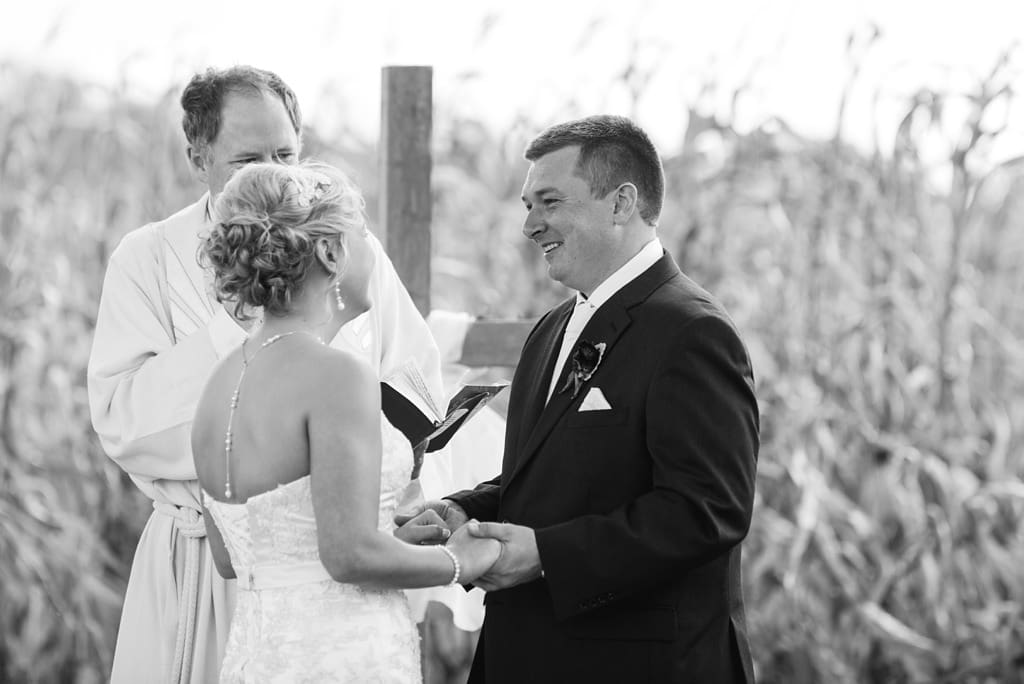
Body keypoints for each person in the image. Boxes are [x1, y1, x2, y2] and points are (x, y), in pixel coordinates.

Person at [87, 65, 447, 683]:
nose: (275, 173)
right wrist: (241, 327)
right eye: (249, 160)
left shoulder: (351, 249)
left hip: (353, 571)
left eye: (285, 154)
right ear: (198, 157)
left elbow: (415, 380)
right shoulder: (147, 258)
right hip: (208, 562)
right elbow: (123, 420)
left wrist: (396, 504)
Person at [397, 115, 760, 683]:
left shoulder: (692, 332)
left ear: (621, 203)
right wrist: (467, 507)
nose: (529, 225)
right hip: (528, 655)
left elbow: (706, 511)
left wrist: (546, 555)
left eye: (550, 202)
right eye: (528, 206)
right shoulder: (550, 330)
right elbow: (548, 476)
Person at [190, 161, 498, 682]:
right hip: (341, 656)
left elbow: (234, 556)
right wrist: (461, 561)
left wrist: (393, 543)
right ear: (331, 252)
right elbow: (348, 556)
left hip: (259, 656)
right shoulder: (338, 374)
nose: (374, 253)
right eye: (363, 234)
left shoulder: (218, 382)